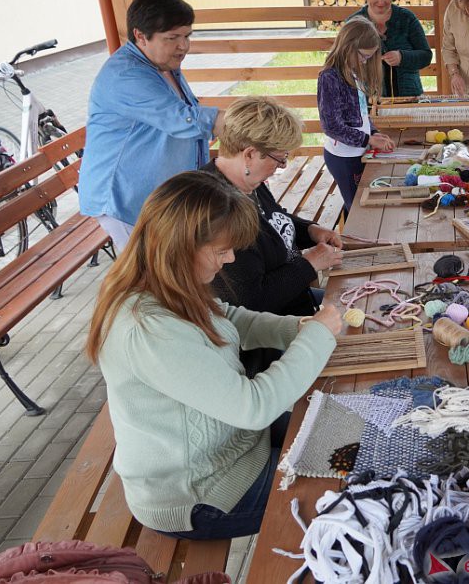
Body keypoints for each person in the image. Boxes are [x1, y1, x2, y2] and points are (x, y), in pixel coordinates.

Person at [86, 170, 343, 540]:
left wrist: (299, 328)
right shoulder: (148, 328)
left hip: (234, 445)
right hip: (203, 492)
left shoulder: (164, 282)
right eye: (222, 250)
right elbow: (253, 406)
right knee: (347, 485)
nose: (230, 259)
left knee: (349, 435)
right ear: (180, 245)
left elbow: (231, 318)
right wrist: (316, 338)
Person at [201, 96, 344, 376]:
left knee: (356, 303)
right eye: (279, 159)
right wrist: (310, 262)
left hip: (295, 305)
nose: (282, 167)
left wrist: (311, 230)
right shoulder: (219, 208)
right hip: (267, 341)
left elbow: (275, 218)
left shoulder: (247, 181)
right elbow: (252, 302)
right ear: (251, 154)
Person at [79, 0, 223, 249]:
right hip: (124, 200)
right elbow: (182, 119)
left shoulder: (165, 65)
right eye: (173, 37)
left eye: (187, 36)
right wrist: (246, 124)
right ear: (140, 36)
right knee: (151, 281)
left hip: (153, 197)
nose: (184, 46)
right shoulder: (125, 75)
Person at [318, 16, 395, 216]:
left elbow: (361, 112)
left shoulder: (352, 72)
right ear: (348, 47)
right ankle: (352, 244)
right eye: (363, 55)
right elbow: (332, 126)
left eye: (369, 57)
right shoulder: (329, 78)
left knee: (358, 203)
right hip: (343, 157)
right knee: (357, 210)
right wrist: (367, 139)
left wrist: (374, 134)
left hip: (357, 152)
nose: (364, 60)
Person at [349, 0, 432, 98]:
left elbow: (426, 56)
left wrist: (402, 57)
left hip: (409, 98)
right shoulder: (354, 23)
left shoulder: (407, 18)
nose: (381, 1)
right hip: (370, 102)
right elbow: (344, 61)